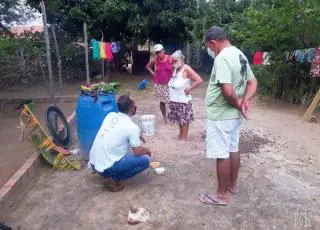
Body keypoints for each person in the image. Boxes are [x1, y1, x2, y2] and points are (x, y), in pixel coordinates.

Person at [199, 26, 257, 206]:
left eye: (209, 46)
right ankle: (232, 186)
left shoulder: (222, 58)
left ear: (212, 43)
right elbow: (253, 82)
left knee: (221, 154)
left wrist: (239, 104)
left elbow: (227, 90)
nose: (210, 50)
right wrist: (245, 101)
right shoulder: (240, 55)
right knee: (233, 149)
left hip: (222, 114)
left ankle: (220, 196)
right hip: (232, 116)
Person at [89, 95, 151, 192]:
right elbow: (137, 151)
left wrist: (136, 136)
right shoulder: (132, 127)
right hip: (107, 168)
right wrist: (147, 150)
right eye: (134, 104)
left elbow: (116, 131)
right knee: (145, 160)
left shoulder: (110, 116)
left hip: (94, 163)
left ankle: (110, 174)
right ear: (131, 108)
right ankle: (115, 179)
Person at [168, 50, 203, 141]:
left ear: (181, 60)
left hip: (183, 99)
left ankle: (184, 137)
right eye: (172, 62)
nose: (173, 63)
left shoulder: (186, 68)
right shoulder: (176, 69)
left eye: (175, 61)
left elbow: (199, 80)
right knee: (179, 118)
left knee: (184, 119)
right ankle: (180, 134)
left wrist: (189, 88)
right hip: (175, 98)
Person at [146, 44, 173, 123]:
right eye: (156, 53)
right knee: (162, 101)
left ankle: (172, 117)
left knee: (172, 101)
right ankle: (165, 118)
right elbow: (147, 66)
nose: (158, 54)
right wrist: (153, 73)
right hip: (159, 84)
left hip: (170, 84)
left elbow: (178, 65)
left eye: (159, 52)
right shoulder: (156, 60)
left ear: (163, 50)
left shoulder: (170, 58)